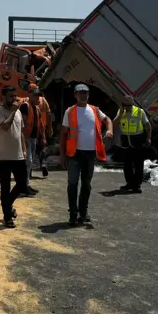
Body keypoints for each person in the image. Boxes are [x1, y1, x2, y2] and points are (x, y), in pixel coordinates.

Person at [60, 84, 112, 226]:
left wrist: (109, 130)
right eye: (80, 93)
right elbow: (63, 134)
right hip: (74, 154)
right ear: (75, 95)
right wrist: (62, 154)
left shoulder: (95, 110)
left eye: (86, 93)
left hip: (90, 154)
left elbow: (108, 120)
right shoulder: (70, 111)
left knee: (86, 185)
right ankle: (73, 214)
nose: (83, 95)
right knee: (72, 183)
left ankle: (83, 213)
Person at [0, 86, 27, 228]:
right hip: (3, 157)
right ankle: (7, 217)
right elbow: (5, 127)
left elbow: (21, 133)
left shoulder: (18, 112)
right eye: (11, 96)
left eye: (15, 96)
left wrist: (24, 151)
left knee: (22, 184)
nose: (14, 99)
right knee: (5, 187)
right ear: (4, 97)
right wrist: (13, 111)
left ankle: (8, 205)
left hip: (18, 156)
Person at [114, 95, 152, 193]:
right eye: (125, 105)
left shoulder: (139, 112)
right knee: (127, 164)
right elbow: (114, 124)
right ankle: (129, 183)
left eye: (129, 105)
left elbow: (147, 125)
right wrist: (120, 114)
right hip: (126, 139)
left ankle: (137, 185)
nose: (127, 107)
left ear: (132, 104)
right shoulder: (120, 112)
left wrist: (148, 138)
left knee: (138, 164)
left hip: (137, 139)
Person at [19, 84, 52, 194]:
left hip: (33, 139)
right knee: (27, 163)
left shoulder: (36, 108)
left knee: (30, 162)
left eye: (38, 96)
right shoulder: (25, 106)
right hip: (27, 139)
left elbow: (40, 125)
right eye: (35, 96)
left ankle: (26, 185)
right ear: (30, 95)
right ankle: (24, 186)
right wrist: (24, 141)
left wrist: (42, 137)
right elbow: (21, 125)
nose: (38, 98)